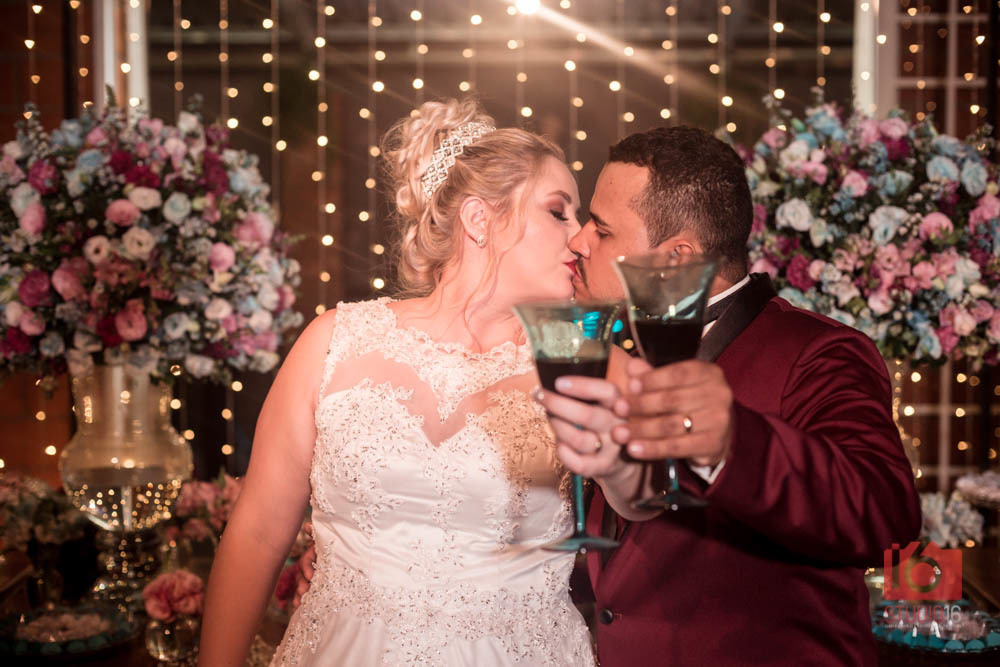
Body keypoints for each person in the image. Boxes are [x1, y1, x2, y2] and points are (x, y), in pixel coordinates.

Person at [200, 98, 597, 666]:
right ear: (479, 219)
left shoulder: (584, 363)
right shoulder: (333, 341)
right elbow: (259, 532)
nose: (579, 237)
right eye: (559, 212)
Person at [534, 125, 922, 665]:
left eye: (602, 229)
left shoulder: (820, 351)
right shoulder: (614, 348)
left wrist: (727, 442)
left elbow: (886, 515)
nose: (578, 241)